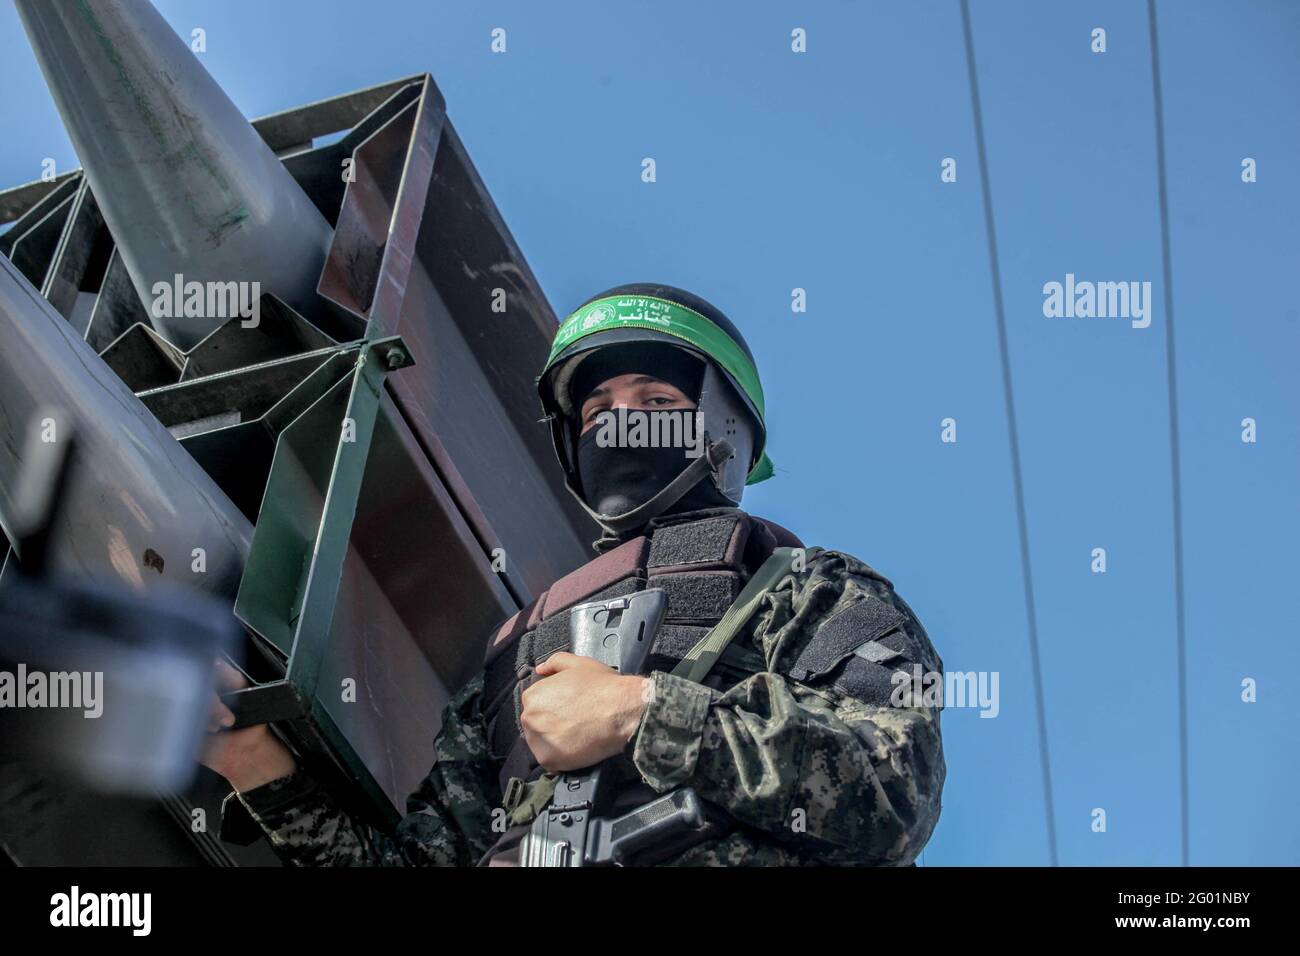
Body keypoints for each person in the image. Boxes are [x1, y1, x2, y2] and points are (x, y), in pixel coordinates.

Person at [202, 283, 947, 866]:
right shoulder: (517, 654)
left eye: (656, 402)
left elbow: (895, 789)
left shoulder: (811, 588)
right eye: (598, 408)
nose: (619, 423)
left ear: (723, 429)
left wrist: (644, 713)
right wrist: (256, 765)